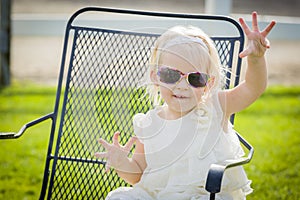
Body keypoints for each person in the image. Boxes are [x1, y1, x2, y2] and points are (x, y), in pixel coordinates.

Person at [94, 12, 276, 200]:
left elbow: (252, 88)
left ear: (209, 84)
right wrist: (122, 163)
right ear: (155, 77)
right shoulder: (149, 124)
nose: (181, 86)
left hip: (203, 195)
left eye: (195, 79)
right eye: (171, 76)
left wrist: (256, 59)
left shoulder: (215, 106)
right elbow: (138, 176)